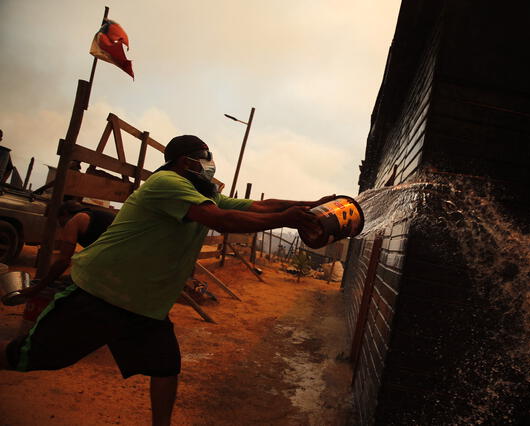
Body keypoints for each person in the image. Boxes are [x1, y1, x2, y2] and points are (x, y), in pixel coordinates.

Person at [0, 135, 332, 426]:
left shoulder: (202, 193)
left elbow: (262, 205)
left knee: (165, 367)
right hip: (100, 294)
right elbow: (220, 219)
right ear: (187, 162)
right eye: (206, 159)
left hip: (145, 307)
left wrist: (312, 206)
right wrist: (283, 219)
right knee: (31, 357)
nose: (211, 166)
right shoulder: (167, 185)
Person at [21, 200, 117, 298]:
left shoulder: (75, 220)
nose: (61, 226)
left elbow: (63, 261)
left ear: (65, 214)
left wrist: (37, 288)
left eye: (60, 221)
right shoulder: (96, 216)